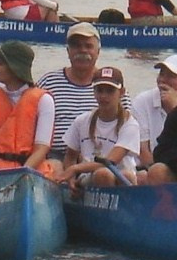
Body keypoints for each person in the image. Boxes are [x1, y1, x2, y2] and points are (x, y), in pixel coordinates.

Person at [36, 21, 131, 160]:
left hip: (100, 157)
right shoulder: (47, 82)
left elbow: (127, 126)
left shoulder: (114, 86)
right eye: (76, 46)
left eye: (88, 46)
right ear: (68, 51)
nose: (82, 50)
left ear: (98, 51)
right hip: (54, 157)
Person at [0, 40, 58, 178]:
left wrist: (20, 176)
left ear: (15, 67)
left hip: (32, 172)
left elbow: (41, 148)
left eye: (0, 64)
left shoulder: (44, 100)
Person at [60, 66, 140, 189]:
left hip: (123, 177)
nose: (103, 96)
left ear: (122, 92)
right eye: (99, 90)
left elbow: (111, 161)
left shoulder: (130, 124)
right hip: (89, 178)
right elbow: (70, 156)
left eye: (110, 91)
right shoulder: (82, 121)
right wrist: (70, 179)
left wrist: (75, 168)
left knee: (120, 174)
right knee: (103, 174)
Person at [130, 54, 177, 169]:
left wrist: (175, 110)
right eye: (162, 74)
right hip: (148, 170)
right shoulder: (142, 101)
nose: (163, 80)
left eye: (171, 76)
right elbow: (142, 150)